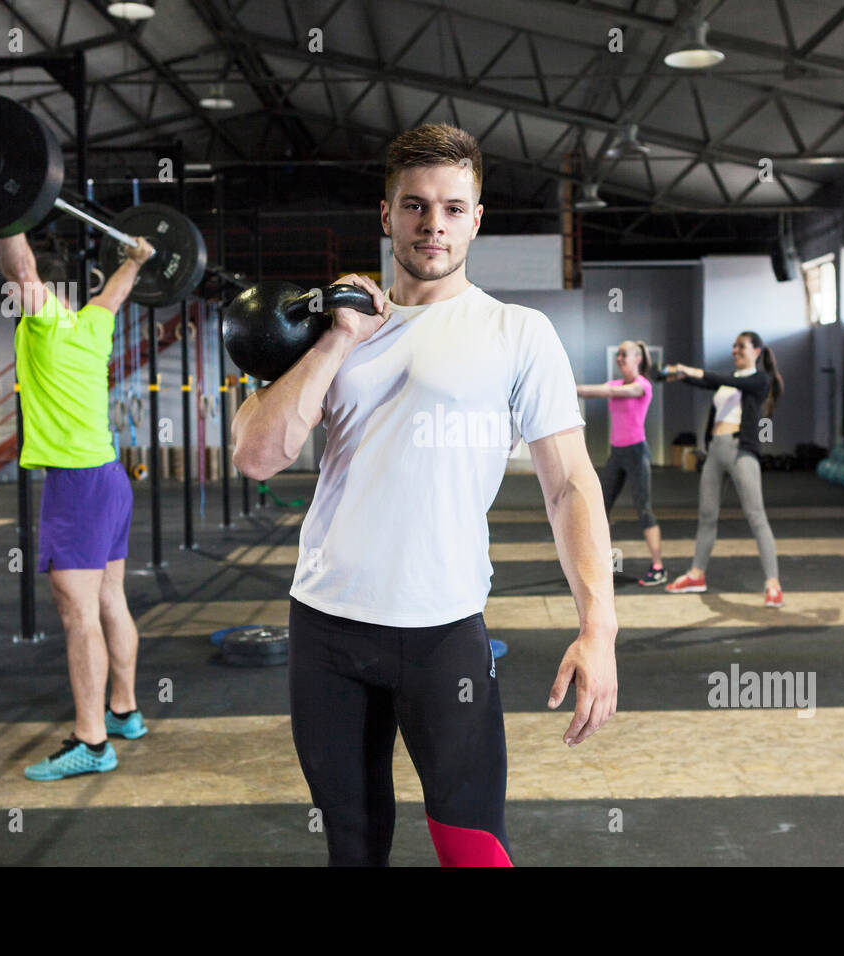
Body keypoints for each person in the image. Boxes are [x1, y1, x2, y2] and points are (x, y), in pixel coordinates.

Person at [232, 123, 618, 867]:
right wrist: (340, 338)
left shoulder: (518, 333)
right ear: (387, 216)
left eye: (451, 207)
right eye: (413, 206)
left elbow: (570, 484)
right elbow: (256, 454)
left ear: (477, 218)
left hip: (443, 632)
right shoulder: (330, 326)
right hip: (327, 627)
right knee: (352, 845)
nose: (431, 223)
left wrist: (598, 628)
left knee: (473, 849)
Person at [0, 232, 156, 780]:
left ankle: (92, 740)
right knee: (111, 596)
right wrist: (135, 259)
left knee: (77, 612)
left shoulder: (45, 323)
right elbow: (116, 291)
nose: (20, 298)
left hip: (78, 488)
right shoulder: (93, 325)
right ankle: (125, 710)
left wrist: (7, 212)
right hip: (110, 478)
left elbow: (19, 269)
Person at [661, 331, 785, 608]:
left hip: (741, 450)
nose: (735, 351)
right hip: (716, 450)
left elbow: (719, 379)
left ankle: (773, 584)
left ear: (756, 350)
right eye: (733, 346)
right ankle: (696, 574)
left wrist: (686, 369)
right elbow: (710, 383)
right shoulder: (729, 383)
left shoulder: (759, 380)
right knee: (707, 515)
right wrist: (681, 376)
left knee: (756, 516)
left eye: (741, 346)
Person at [576, 340, 666, 585]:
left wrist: (571, 388)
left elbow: (609, 392)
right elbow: (596, 391)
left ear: (637, 359)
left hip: (637, 453)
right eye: (618, 355)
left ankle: (658, 566)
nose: (619, 358)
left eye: (624, 354)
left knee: (644, 509)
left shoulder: (642, 386)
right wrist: (569, 389)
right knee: (600, 508)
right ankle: (598, 563)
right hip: (617, 454)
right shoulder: (614, 384)